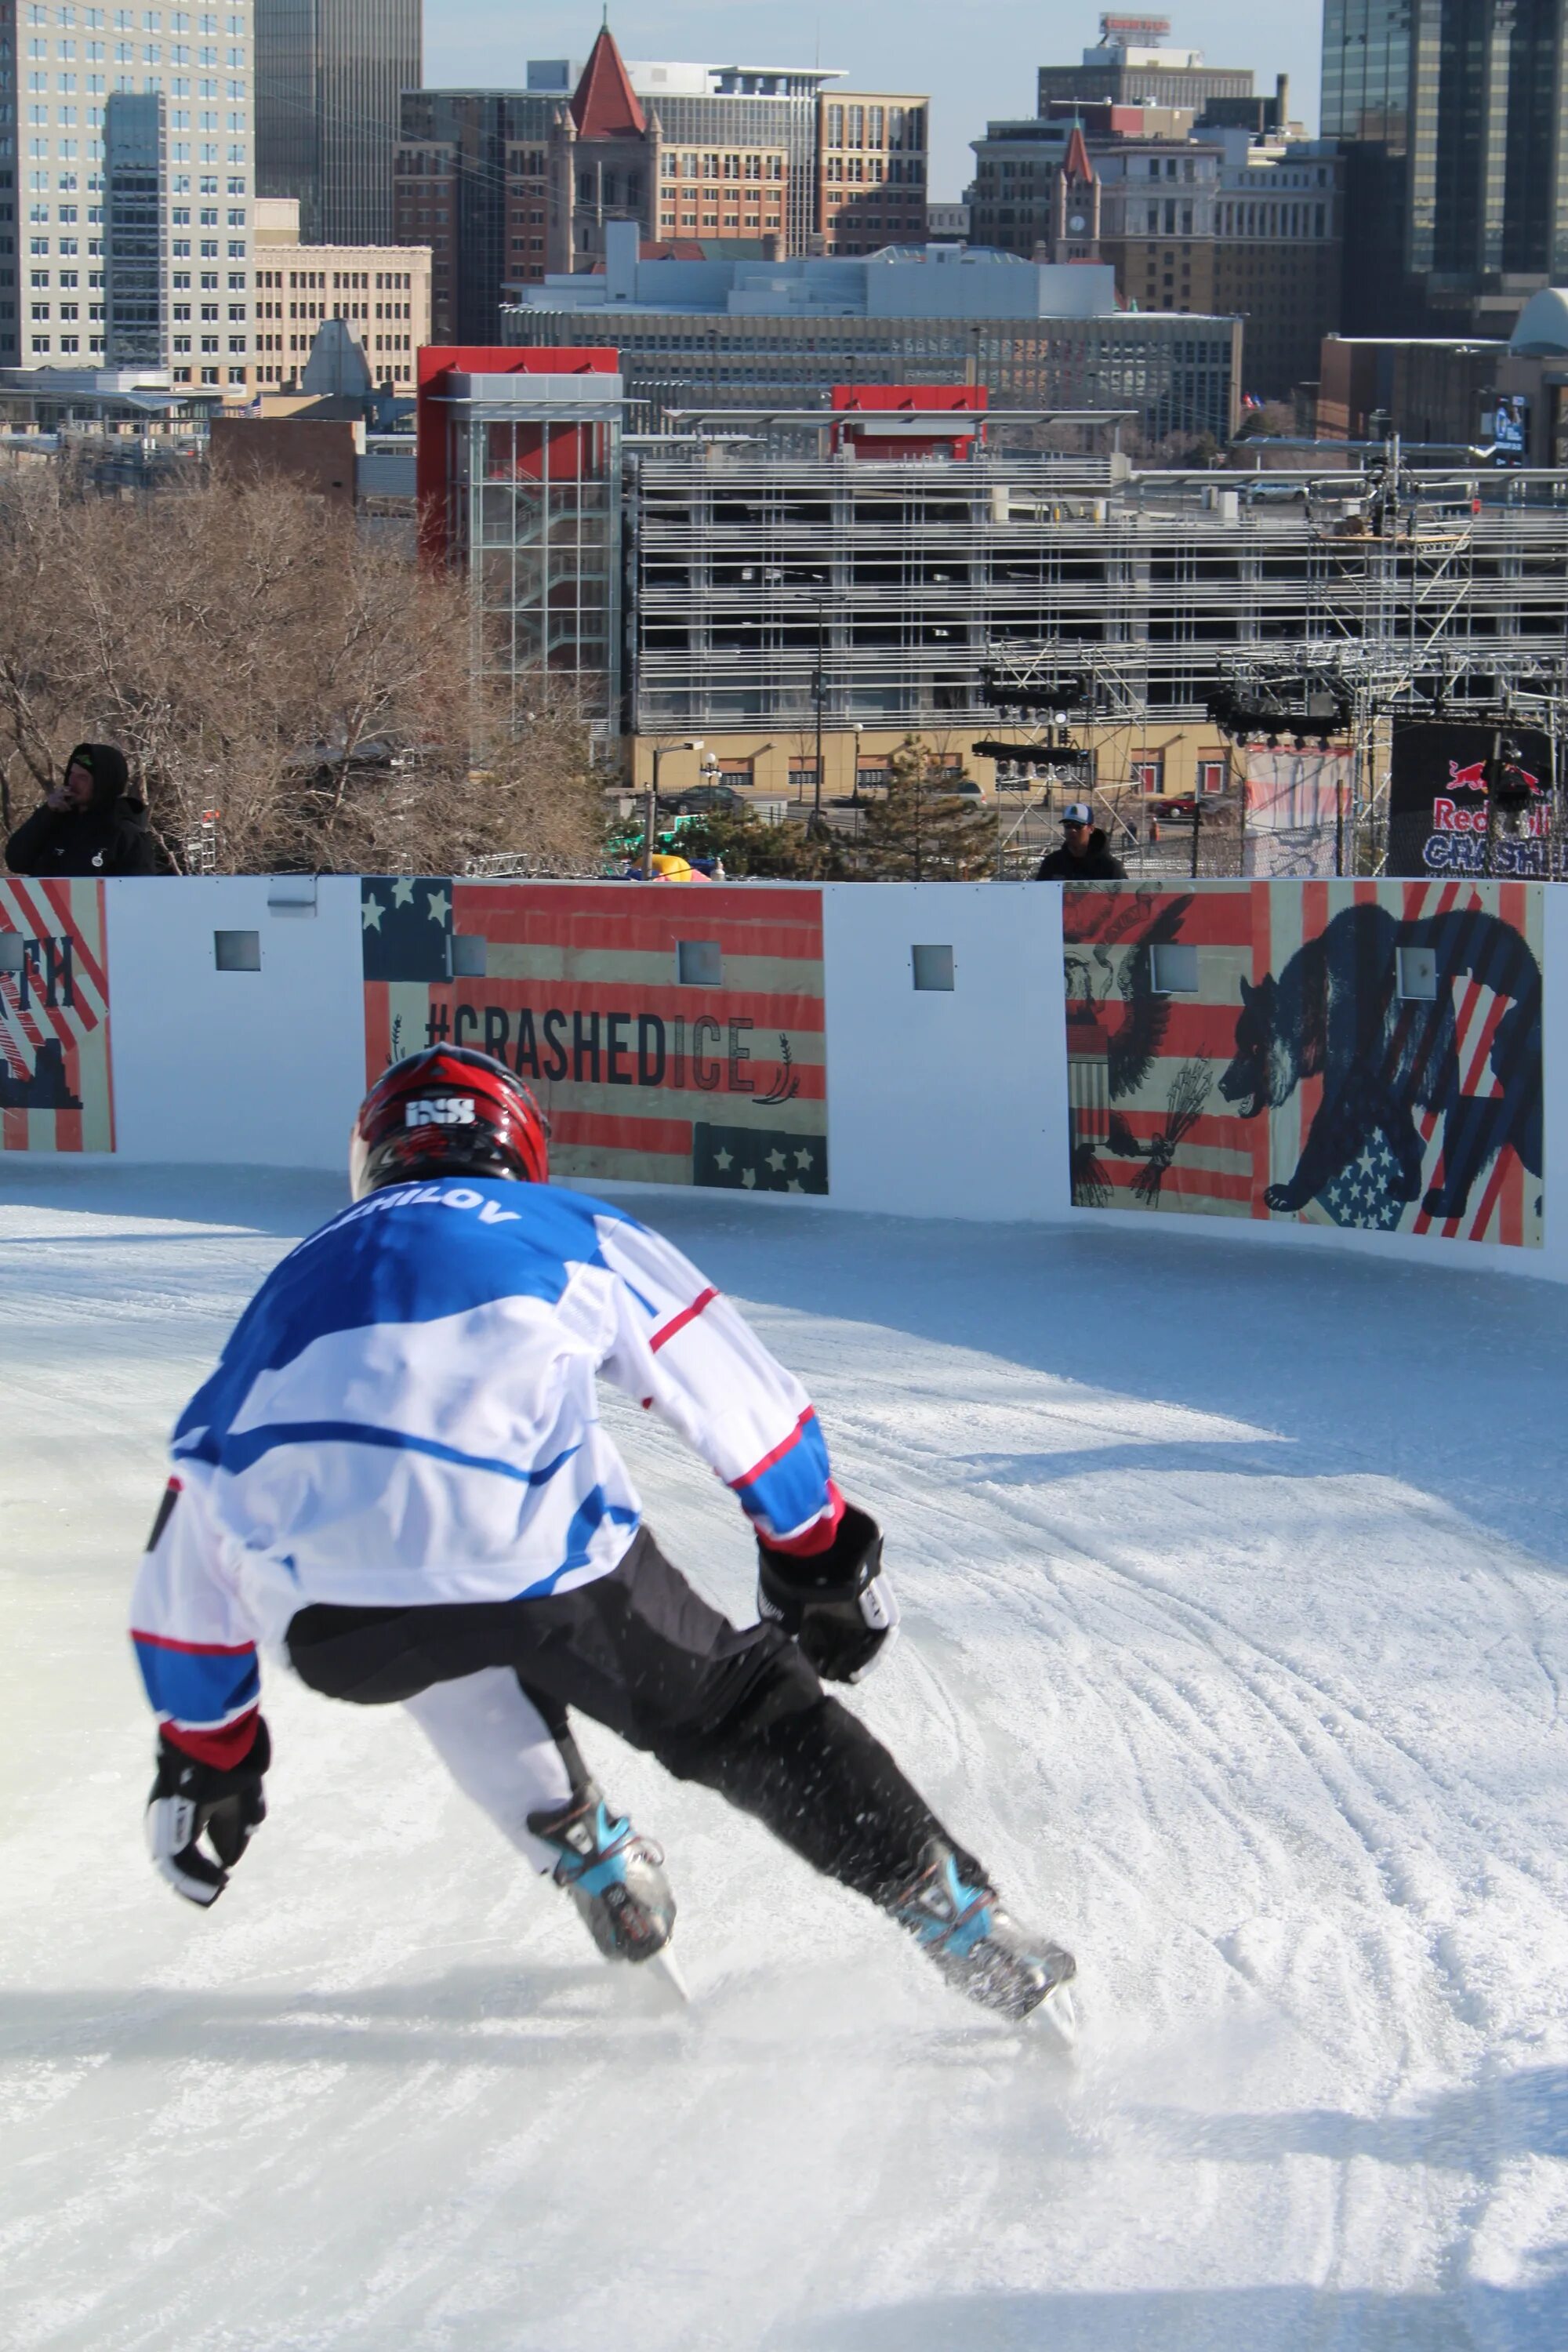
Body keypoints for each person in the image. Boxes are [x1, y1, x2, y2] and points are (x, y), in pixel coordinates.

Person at [129, 1047, 1076, 2028]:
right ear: (519, 1147)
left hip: (335, 1620)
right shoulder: (565, 1224)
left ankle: (585, 1857)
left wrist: (207, 1747)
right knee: (740, 1713)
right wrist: (813, 1550)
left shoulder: (288, 1283)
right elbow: (733, 1393)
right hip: (545, 1565)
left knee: (430, 1619)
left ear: (373, 1157)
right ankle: (949, 1913)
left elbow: (192, 1508)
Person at [5, 742, 157, 878]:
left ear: (103, 784)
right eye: (72, 774)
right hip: (47, 908)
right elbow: (17, 862)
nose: (72, 782)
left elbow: (139, 895)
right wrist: (46, 813)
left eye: (83, 778)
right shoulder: (57, 822)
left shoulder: (125, 835)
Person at [1035, 800, 1126, 882]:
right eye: (1068, 825)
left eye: (1078, 826)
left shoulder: (1110, 867)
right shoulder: (1052, 863)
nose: (1072, 830)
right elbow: (1039, 895)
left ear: (1090, 829)